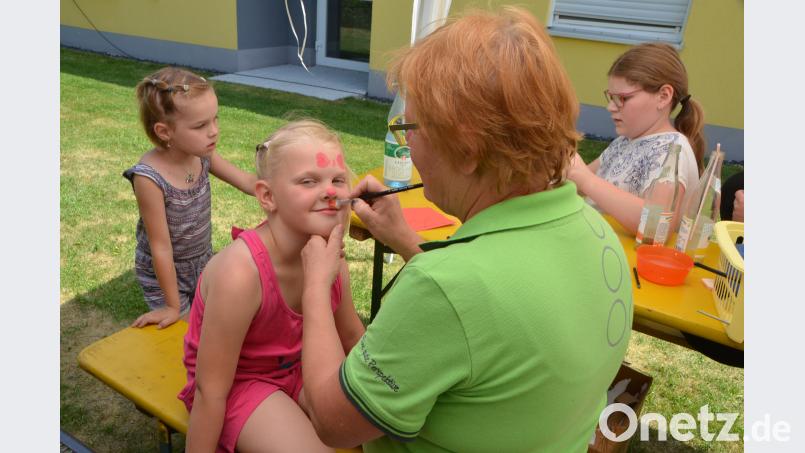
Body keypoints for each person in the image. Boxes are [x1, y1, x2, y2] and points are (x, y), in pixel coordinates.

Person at [297, 8, 632, 452]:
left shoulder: (446, 288)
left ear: (469, 148)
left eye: (411, 127)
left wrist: (316, 289)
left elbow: (333, 422)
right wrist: (405, 241)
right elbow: (493, 320)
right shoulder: (594, 229)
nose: (406, 142)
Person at [178, 119, 366, 453]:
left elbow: (352, 337)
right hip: (241, 383)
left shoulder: (330, 259)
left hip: (302, 369)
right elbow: (212, 390)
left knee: (386, 425)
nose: (330, 191)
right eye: (308, 181)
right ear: (267, 196)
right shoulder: (241, 273)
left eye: (338, 179)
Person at [123, 67, 256, 329]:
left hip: (202, 261)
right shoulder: (149, 178)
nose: (214, 131)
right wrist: (172, 306)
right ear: (164, 132)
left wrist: (283, 189)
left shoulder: (202, 156)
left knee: (215, 325)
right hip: (165, 274)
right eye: (201, 125)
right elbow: (160, 247)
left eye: (215, 119)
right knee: (187, 336)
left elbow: (248, 183)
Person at [566, 42, 706, 234]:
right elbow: (574, 184)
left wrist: (585, 179)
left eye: (623, 98)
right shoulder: (624, 143)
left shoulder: (673, 150)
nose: (611, 107)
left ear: (663, 96)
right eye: (611, 97)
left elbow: (656, 226)